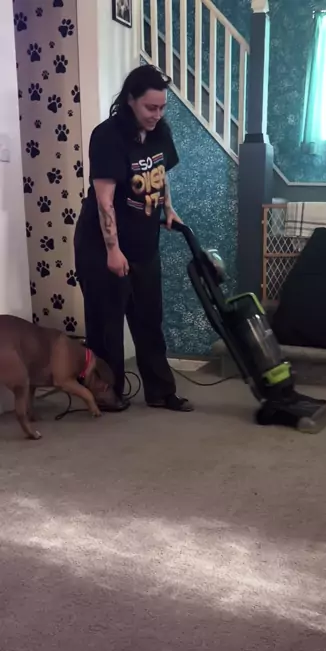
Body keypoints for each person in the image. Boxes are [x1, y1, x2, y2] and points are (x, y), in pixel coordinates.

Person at [74, 64, 193, 413]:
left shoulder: (159, 132)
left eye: (162, 107)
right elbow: (104, 200)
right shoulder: (108, 136)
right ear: (130, 100)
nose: (157, 114)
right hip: (101, 244)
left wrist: (167, 208)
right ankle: (108, 391)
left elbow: (160, 173)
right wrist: (113, 250)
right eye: (150, 107)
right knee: (107, 325)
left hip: (144, 243)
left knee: (149, 320)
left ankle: (160, 391)